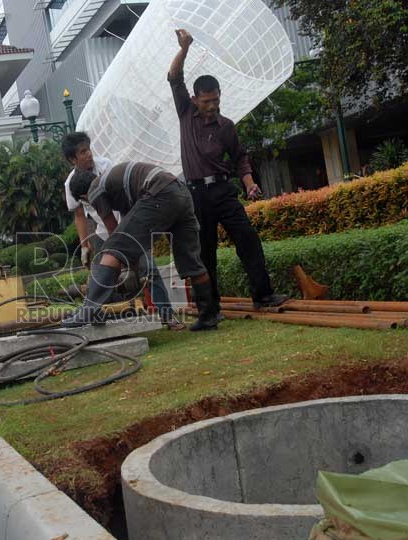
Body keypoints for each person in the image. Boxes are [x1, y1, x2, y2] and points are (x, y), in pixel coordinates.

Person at [168, 29, 287, 311]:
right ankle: (210, 306)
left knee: (247, 239)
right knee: (204, 251)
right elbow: (174, 77)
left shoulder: (226, 126)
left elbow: (240, 157)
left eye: (216, 100)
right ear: (195, 99)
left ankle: (263, 296)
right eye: (206, 101)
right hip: (196, 195)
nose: (212, 106)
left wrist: (248, 183)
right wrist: (184, 49)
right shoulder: (185, 112)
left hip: (223, 191)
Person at [63, 162, 218, 331]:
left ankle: (88, 310)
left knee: (112, 249)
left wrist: (123, 269)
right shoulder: (115, 184)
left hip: (159, 193)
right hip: (180, 193)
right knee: (192, 262)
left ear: (84, 197)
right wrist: (134, 269)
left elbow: (115, 235)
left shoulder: (94, 190)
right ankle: (208, 317)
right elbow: (133, 238)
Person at [61, 132, 184, 330]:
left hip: (127, 222)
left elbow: (127, 198)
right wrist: (84, 245)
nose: (89, 155)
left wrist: (128, 248)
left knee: (148, 270)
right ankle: (95, 314)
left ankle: (168, 316)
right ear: (72, 159)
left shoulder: (106, 165)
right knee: (101, 275)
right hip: (102, 232)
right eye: (82, 152)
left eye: (88, 149)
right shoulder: (70, 184)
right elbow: (79, 216)